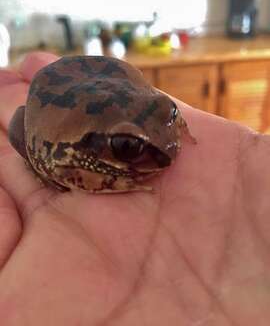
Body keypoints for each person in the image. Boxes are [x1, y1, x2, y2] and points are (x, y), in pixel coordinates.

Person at [0, 52, 269, 325]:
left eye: (170, 115)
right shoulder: (80, 149)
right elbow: (62, 168)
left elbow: (149, 107)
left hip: (97, 83)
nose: (169, 149)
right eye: (128, 146)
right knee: (18, 126)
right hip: (53, 114)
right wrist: (113, 181)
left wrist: (171, 120)